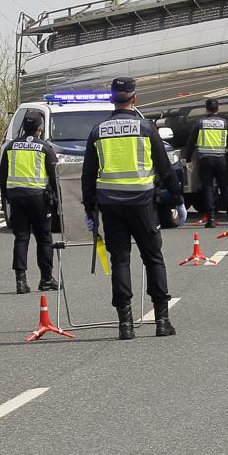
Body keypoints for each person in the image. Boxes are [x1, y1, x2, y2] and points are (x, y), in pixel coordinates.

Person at [81, 77, 186, 340]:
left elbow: (88, 175)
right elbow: (165, 168)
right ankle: (162, 321)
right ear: (134, 99)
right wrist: (178, 200)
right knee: (153, 258)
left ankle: (125, 325)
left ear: (111, 99)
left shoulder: (98, 130)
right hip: (142, 203)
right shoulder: (146, 128)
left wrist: (90, 210)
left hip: (111, 205)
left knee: (120, 260)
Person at [0, 112, 59, 294]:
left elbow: (2, 177)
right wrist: (56, 199)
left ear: (24, 127)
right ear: (39, 129)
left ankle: (20, 280)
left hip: (16, 197)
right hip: (39, 198)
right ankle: (46, 278)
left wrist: (6, 197)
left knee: (21, 237)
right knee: (44, 238)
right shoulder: (45, 148)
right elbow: (55, 177)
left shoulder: (11, 147)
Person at [182, 98, 228, 228]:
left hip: (205, 160)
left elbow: (190, 143)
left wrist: (188, 158)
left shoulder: (199, 124)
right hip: (221, 160)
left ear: (206, 108)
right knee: (225, 188)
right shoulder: (225, 124)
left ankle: (211, 219)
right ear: (218, 108)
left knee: (207, 188)